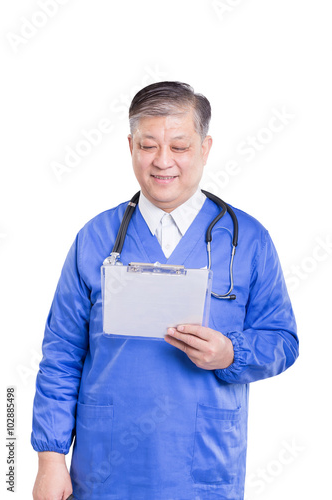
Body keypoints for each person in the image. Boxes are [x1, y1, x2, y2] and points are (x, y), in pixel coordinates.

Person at [31, 81, 299, 500]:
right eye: (148, 145)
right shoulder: (96, 238)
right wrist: (50, 458)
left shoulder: (248, 240)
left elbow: (283, 340)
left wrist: (231, 354)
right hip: (105, 469)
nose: (162, 162)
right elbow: (62, 352)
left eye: (179, 146)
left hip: (201, 467)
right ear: (131, 146)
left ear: (205, 148)